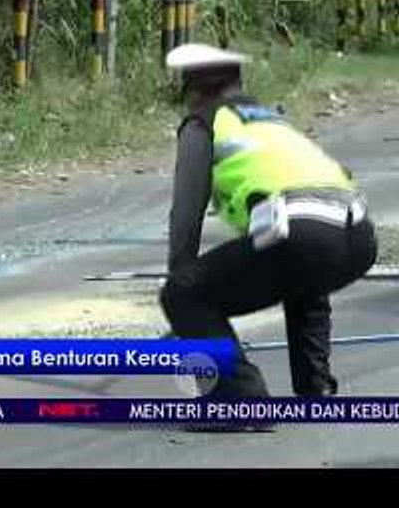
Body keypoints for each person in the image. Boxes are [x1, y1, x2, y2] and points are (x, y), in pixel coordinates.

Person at [159, 44, 377, 402]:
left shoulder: (203, 123)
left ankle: (240, 400)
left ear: (194, 91)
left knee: (183, 293)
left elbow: (185, 217)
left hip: (305, 233)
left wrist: (183, 298)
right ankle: (315, 387)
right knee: (302, 268)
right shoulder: (272, 120)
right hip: (358, 235)